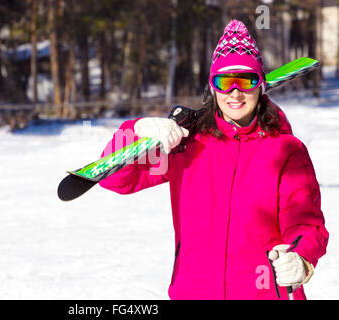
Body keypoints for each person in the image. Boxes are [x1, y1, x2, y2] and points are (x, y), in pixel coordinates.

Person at [98, 20, 328, 300]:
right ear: (213, 86)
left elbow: (306, 223)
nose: (235, 92)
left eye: (246, 80)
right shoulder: (186, 144)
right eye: (224, 81)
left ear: (261, 85)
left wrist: (300, 258)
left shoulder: (286, 151)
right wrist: (135, 133)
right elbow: (115, 178)